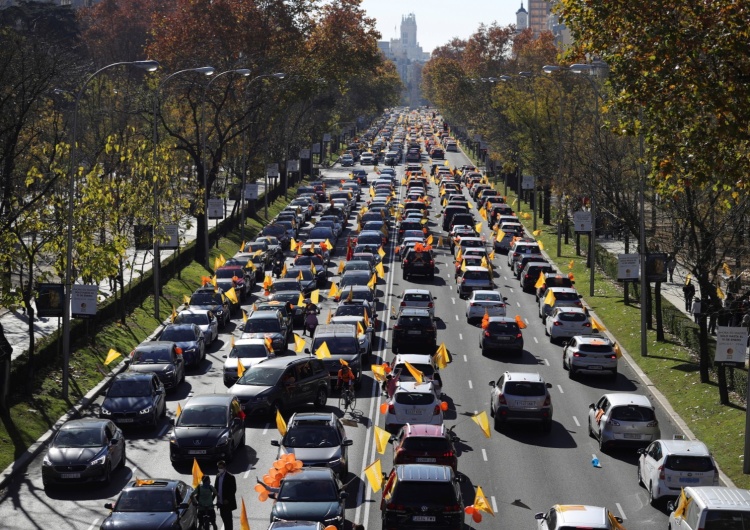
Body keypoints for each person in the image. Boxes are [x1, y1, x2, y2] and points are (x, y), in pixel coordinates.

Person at [214, 461, 237, 530]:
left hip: (227, 503)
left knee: (228, 520)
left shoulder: (230, 477)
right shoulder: (218, 476)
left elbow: (233, 490)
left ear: (224, 467)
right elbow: (215, 489)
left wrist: (228, 499)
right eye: (219, 467)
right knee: (223, 517)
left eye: (221, 467)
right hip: (220, 503)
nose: (220, 469)